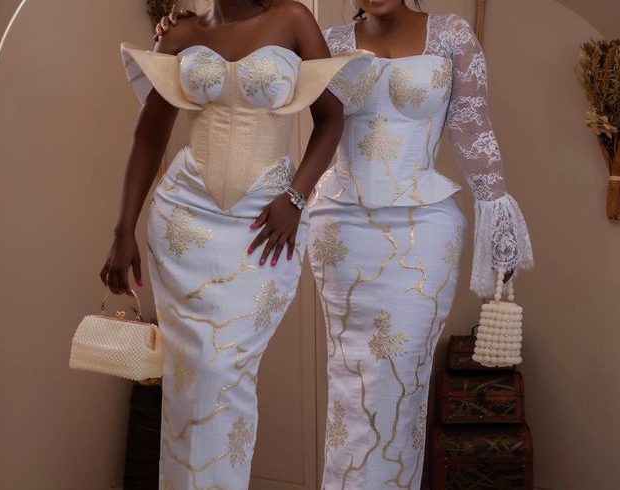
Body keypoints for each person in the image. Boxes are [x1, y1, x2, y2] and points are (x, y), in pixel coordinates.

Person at [156, 1, 533, 488]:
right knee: (350, 385)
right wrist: (183, 27)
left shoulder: (452, 36)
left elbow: (473, 131)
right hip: (341, 226)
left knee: (401, 384)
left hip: (425, 229)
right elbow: (245, 68)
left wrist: (499, 228)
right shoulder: (329, 42)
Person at [102, 1, 367, 488]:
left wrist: (296, 198)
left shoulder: (293, 19)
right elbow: (149, 136)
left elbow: (331, 118)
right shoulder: (181, 31)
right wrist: (123, 230)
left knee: (224, 370)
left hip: (264, 226)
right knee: (188, 377)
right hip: (184, 223)